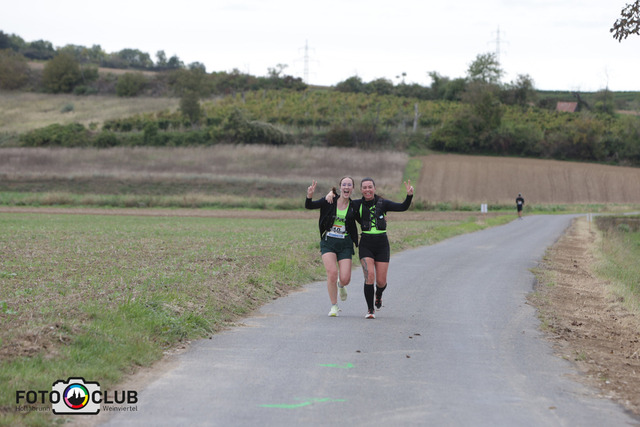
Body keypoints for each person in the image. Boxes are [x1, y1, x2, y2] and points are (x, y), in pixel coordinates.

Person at [354, 178, 414, 319]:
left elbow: (403, 207)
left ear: (374, 188)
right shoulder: (356, 204)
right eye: (364, 187)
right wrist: (331, 195)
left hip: (382, 244)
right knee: (369, 276)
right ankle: (370, 310)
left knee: (381, 282)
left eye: (370, 187)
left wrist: (409, 196)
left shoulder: (383, 203)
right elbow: (341, 204)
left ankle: (379, 294)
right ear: (361, 190)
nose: (367, 190)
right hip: (366, 243)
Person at [305, 177, 359, 317]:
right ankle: (334, 306)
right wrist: (310, 195)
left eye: (349, 185)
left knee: (345, 279)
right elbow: (309, 206)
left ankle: (341, 285)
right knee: (332, 273)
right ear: (340, 187)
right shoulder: (329, 200)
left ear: (352, 188)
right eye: (344, 184)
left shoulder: (354, 205)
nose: (346, 187)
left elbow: (364, 217)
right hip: (328, 242)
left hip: (345, 244)